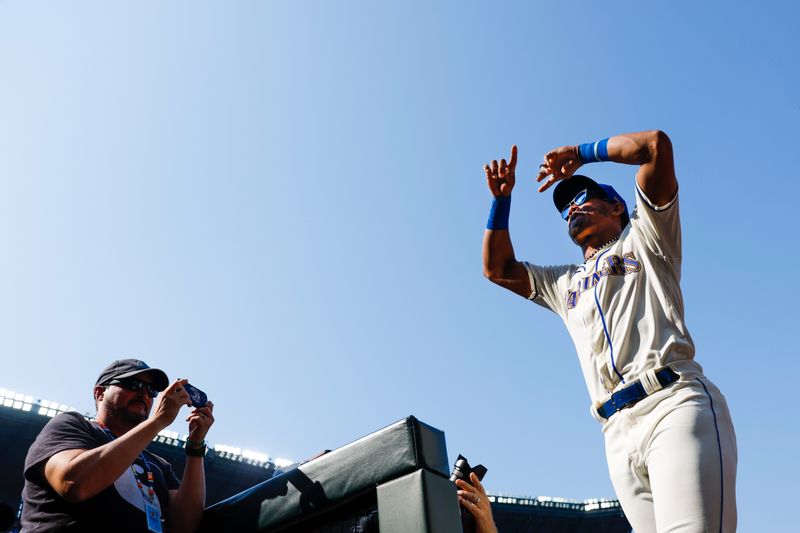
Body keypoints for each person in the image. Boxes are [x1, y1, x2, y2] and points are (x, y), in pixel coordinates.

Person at [482, 131, 737, 533]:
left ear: (617, 205)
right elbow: (498, 269)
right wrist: (501, 202)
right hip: (615, 432)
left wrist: (583, 155)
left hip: (670, 403)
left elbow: (654, 146)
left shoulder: (647, 236)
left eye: (580, 199)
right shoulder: (563, 283)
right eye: (564, 208)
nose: (570, 209)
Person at [21, 359, 215, 533]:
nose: (144, 394)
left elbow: (184, 526)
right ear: (100, 393)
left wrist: (195, 446)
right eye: (134, 384)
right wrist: (157, 422)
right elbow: (73, 484)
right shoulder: (73, 425)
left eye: (151, 391)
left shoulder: (158, 465)